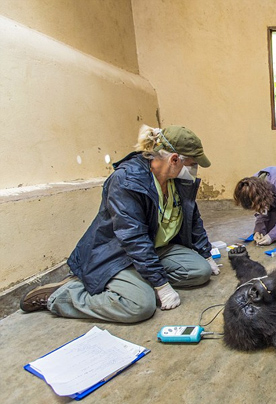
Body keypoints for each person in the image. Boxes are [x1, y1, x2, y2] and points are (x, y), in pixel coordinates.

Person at [20, 125, 220, 323]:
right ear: (174, 159)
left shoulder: (176, 180)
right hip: (118, 255)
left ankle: (136, 283)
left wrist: (205, 252)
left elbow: (192, 216)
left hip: (155, 248)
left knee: (199, 271)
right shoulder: (126, 180)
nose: (193, 170)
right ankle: (62, 296)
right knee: (140, 306)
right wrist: (161, 285)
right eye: (192, 163)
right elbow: (134, 238)